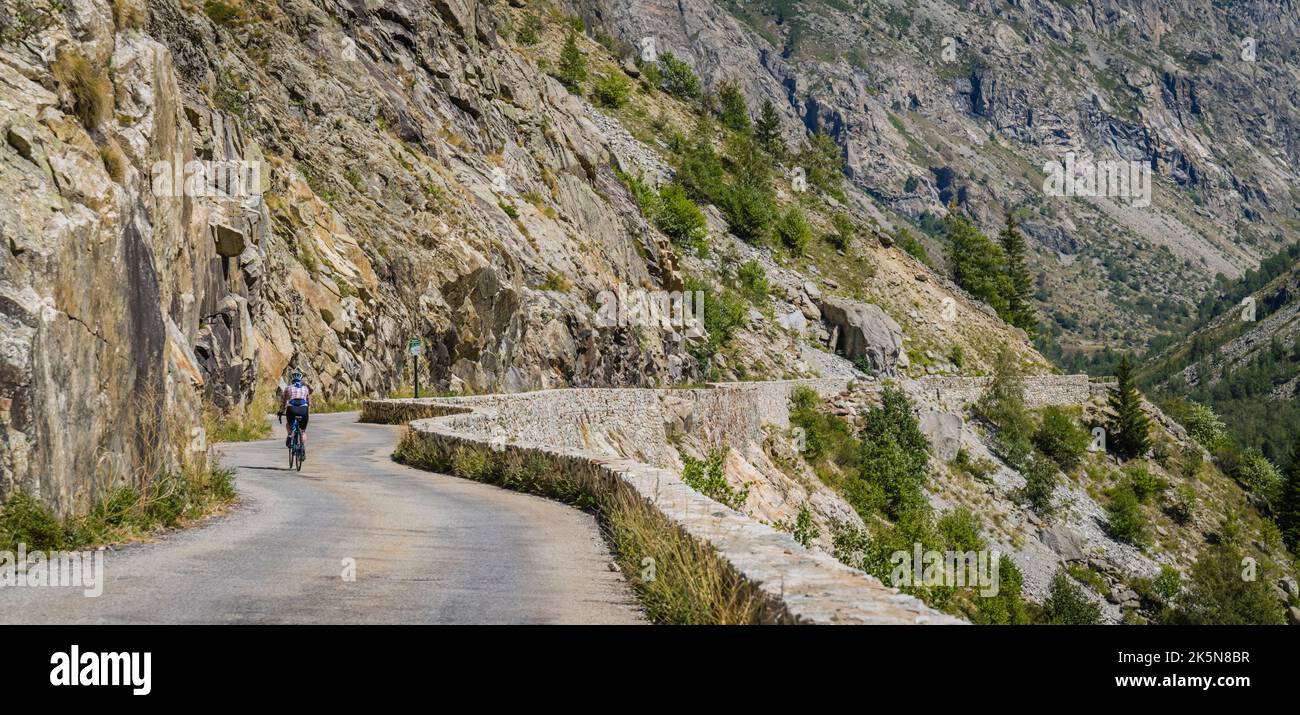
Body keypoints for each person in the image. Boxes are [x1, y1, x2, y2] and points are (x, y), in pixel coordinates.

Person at [278, 371, 311, 449]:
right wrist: (307, 412)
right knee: (303, 431)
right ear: (301, 380)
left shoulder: (288, 388)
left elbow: (283, 402)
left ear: (292, 379)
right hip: (303, 409)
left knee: (289, 424)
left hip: (291, 409)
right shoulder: (305, 388)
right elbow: (308, 402)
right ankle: (302, 449)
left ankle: (290, 434)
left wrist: (281, 411)